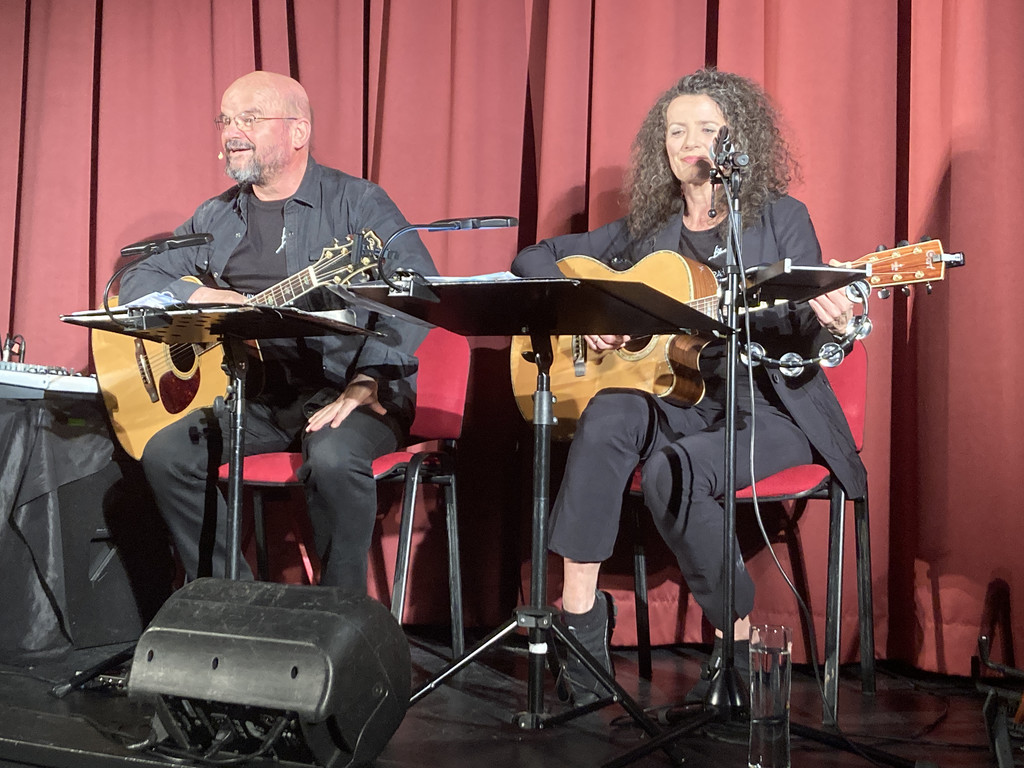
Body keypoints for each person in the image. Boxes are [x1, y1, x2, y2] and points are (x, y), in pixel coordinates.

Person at [511, 69, 867, 705]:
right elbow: (533, 258)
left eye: (705, 129)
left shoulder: (781, 218)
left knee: (674, 472)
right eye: (675, 131)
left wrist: (832, 316)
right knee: (609, 413)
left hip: (769, 408)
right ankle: (580, 626)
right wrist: (592, 317)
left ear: (737, 139)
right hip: (686, 400)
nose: (687, 142)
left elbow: (803, 328)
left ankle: (737, 642)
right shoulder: (648, 230)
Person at [118, 71, 437, 591]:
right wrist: (203, 297)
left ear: (298, 131)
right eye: (225, 120)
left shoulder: (357, 202)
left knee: (333, 458)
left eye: (249, 118)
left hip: (354, 394)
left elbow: (417, 289)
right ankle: (236, 603)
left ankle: (339, 616)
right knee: (168, 455)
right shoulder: (217, 216)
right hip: (260, 399)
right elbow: (137, 280)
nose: (231, 132)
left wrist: (370, 379)